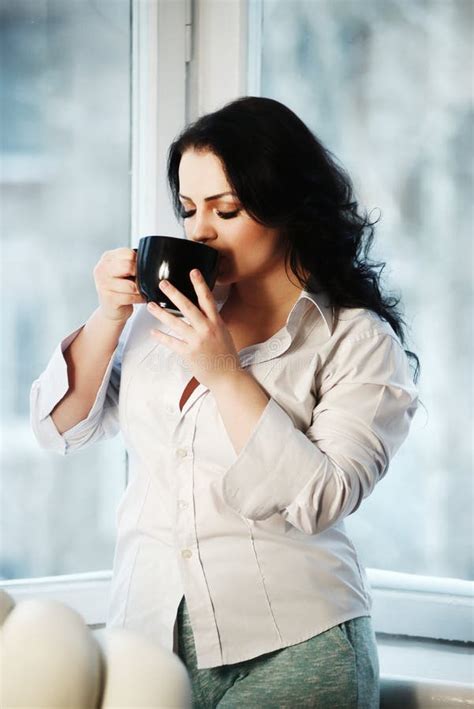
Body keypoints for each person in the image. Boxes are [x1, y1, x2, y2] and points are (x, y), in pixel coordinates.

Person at [30, 96, 419, 708]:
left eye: (227, 208)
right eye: (188, 209)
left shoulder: (356, 339)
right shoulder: (167, 312)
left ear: (286, 205)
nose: (200, 231)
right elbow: (58, 429)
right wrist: (108, 316)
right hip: (148, 646)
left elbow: (319, 499)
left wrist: (224, 372)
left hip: (297, 648)